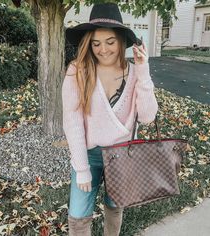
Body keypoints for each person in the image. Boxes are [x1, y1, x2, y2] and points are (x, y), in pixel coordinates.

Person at [62, 3, 158, 235]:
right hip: (89, 154)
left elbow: (147, 117)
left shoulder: (135, 73)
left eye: (110, 42)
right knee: (78, 214)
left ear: (122, 41)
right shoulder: (78, 71)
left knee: (115, 208)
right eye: (96, 43)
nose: (103, 49)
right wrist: (82, 168)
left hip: (123, 155)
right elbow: (72, 122)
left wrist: (143, 71)